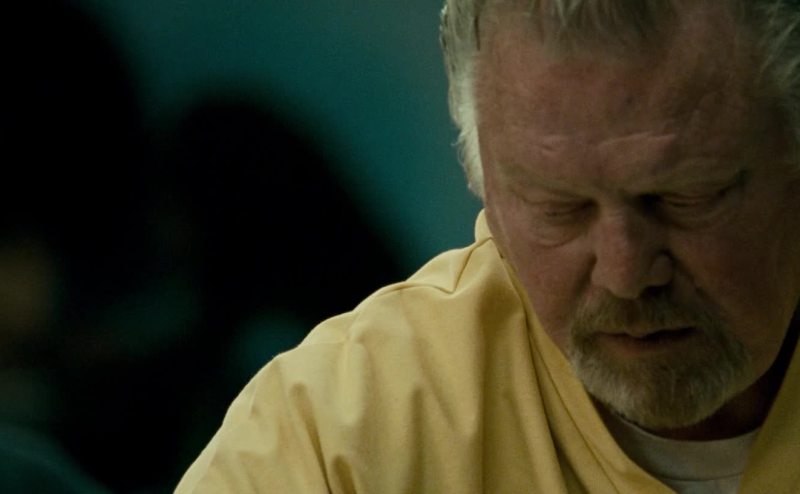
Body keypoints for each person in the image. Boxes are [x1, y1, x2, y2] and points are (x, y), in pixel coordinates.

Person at [175, 0, 800, 492]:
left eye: (685, 197)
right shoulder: (338, 442)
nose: (625, 272)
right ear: (482, 184)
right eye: (558, 208)